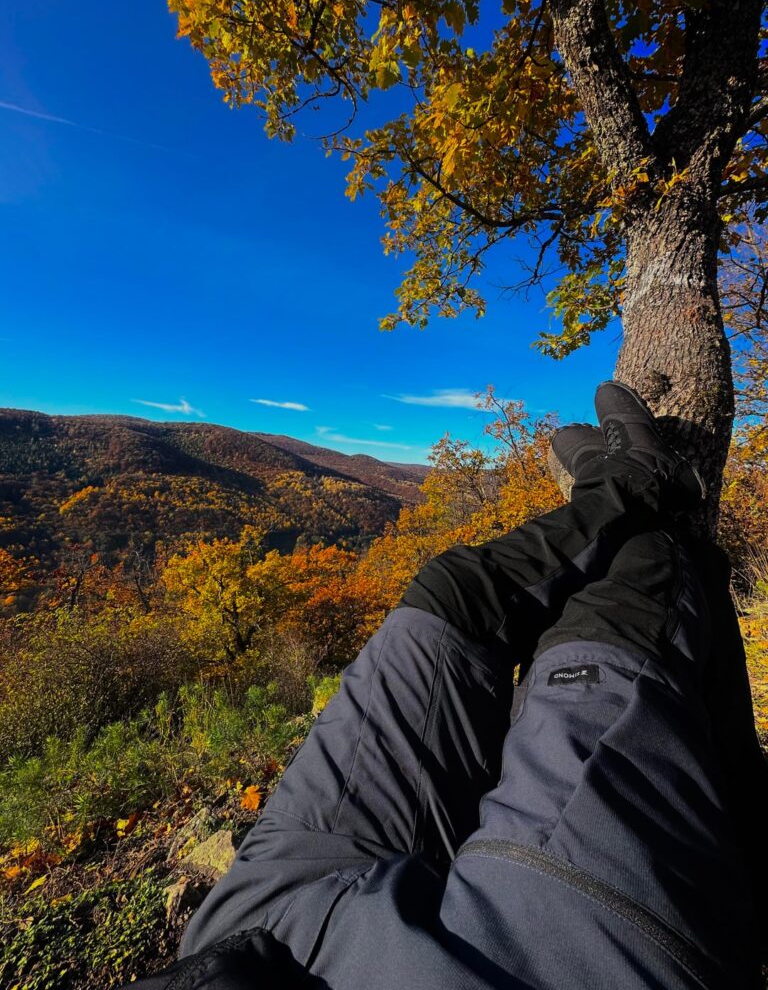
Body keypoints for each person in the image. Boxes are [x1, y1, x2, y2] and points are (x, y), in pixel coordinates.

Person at [130, 382, 767, 990]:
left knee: (450, 594)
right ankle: (659, 512)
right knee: (610, 620)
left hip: (245, 937)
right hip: (515, 969)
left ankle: (621, 483)